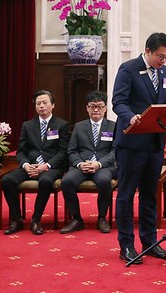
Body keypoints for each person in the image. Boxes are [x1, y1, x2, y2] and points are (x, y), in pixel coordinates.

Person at [112, 32, 166, 264]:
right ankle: (126, 245)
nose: (163, 61)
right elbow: (118, 102)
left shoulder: (165, 73)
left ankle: (149, 242)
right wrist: (130, 116)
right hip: (132, 144)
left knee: (150, 195)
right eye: (160, 56)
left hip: (155, 143)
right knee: (127, 195)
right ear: (148, 51)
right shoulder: (128, 69)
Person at [2, 90, 70, 235]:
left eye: (45, 103)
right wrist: (26, 165)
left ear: (53, 105)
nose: (41, 106)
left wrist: (45, 166)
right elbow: (21, 151)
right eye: (38, 103)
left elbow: (62, 152)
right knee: (7, 180)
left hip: (51, 166)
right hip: (30, 165)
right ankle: (16, 219)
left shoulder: (61, 125)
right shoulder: (27, 125)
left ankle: (36, 220)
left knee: (45, 181)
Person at [59, 91, 117, 234]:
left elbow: (115, 152)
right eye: (92, 106)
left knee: (104, 181)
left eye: (99, 106)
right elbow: (71, 151)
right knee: (66, 181)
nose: (96, 109)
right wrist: (80, 164)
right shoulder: (79, 127)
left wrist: (99, 164)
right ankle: (76, 219)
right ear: (87, 108)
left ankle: (102, 218)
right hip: (82, 165)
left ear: (105, 108)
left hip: (103, 166)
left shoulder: (113, 126)